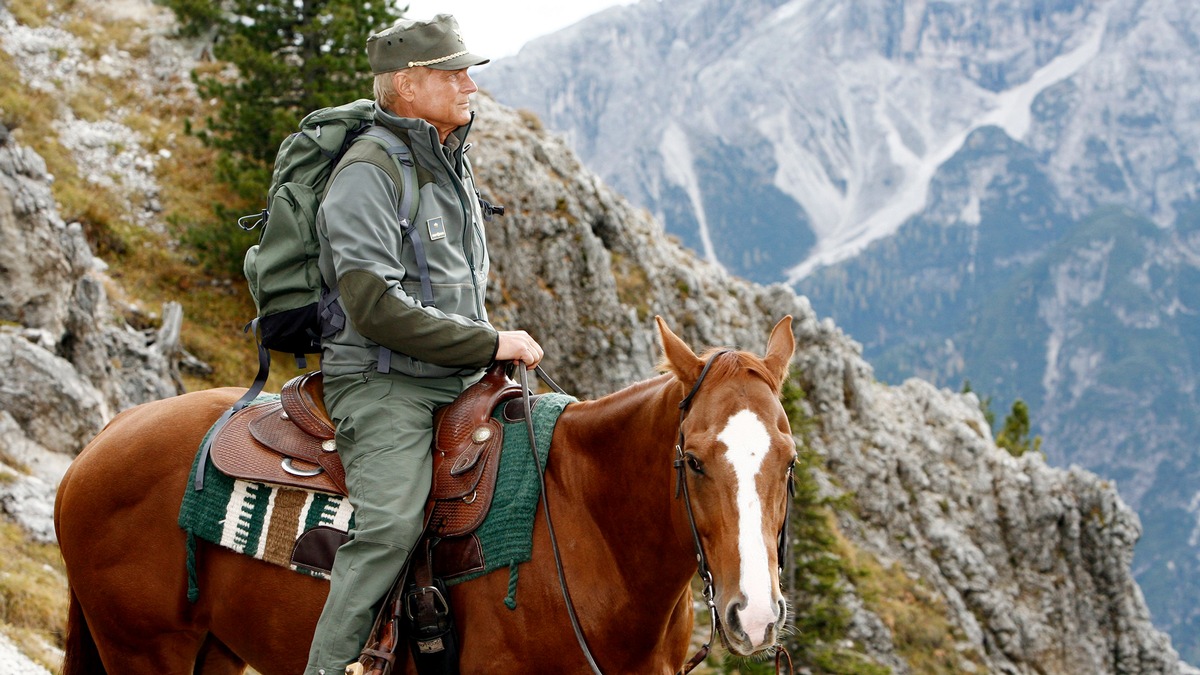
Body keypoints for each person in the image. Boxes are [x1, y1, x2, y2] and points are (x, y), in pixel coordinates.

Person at [305, 14, 543, 674]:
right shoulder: (365, 175)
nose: (470, 83)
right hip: (384, 383)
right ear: (409, 86)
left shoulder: (451, 168)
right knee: (388, 528)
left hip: (459, 373)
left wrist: (485, 351)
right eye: (453, 71)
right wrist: (490, 340)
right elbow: (376, 307)